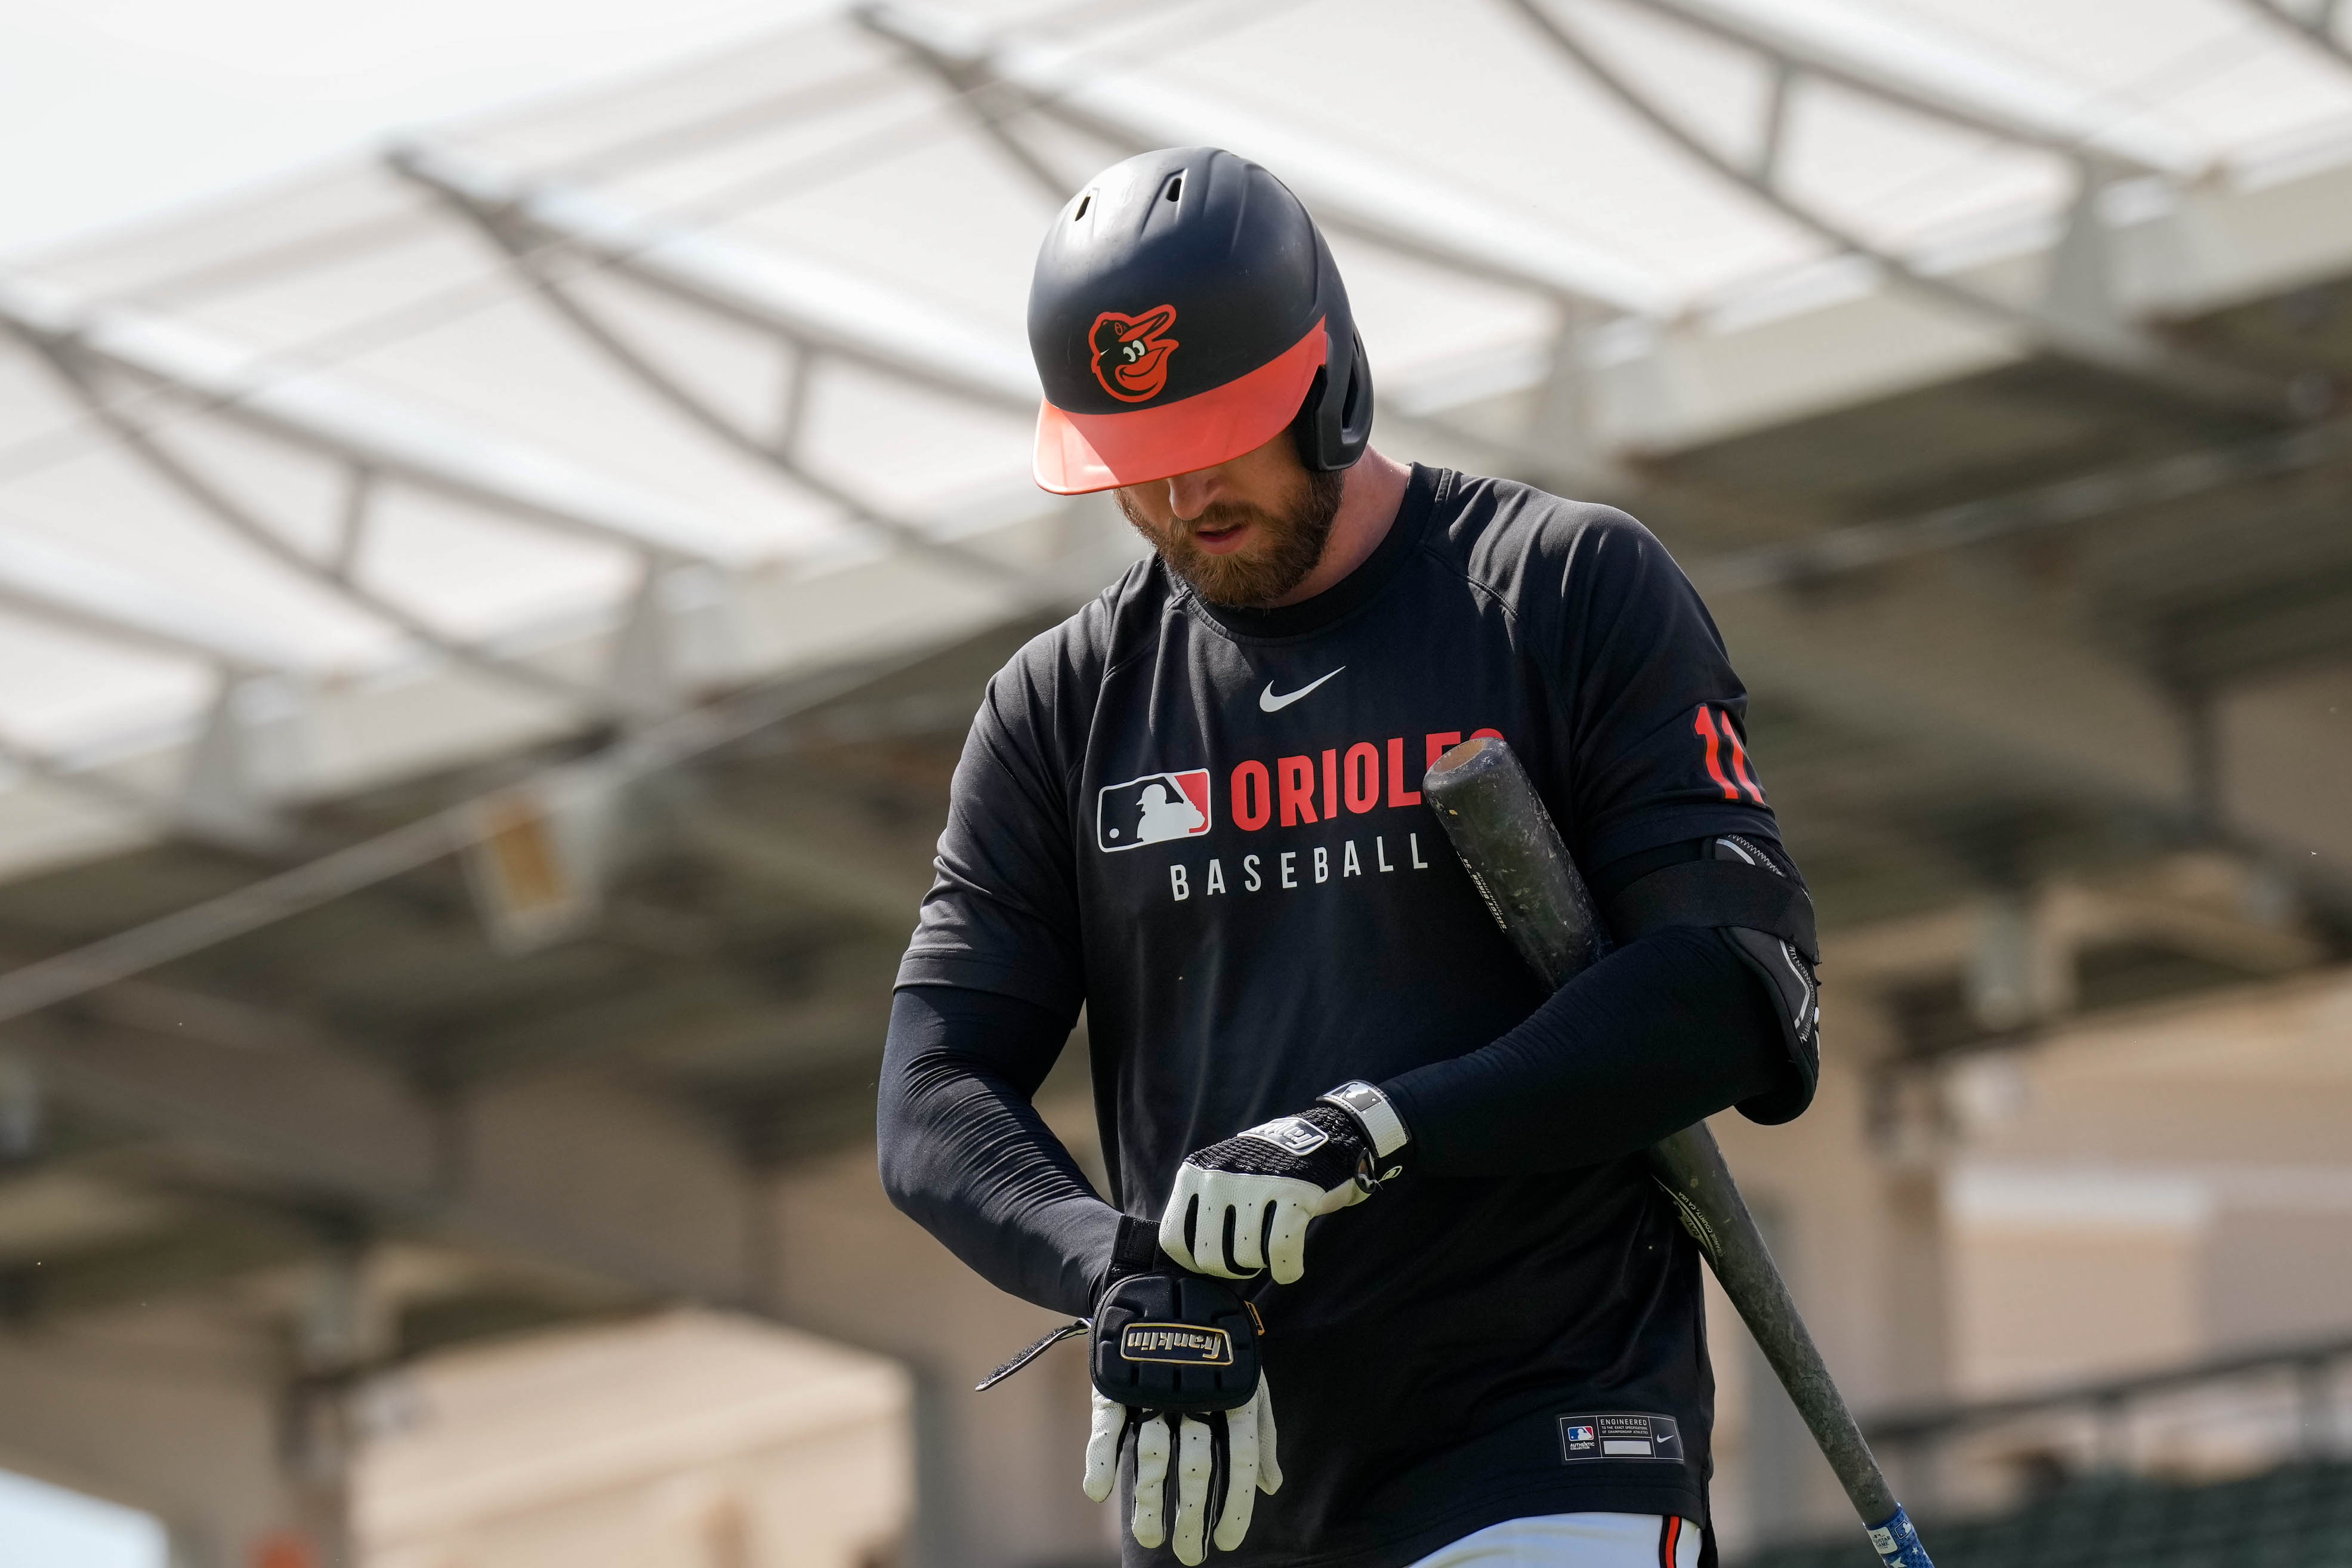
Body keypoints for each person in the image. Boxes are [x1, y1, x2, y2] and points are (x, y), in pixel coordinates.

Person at [879, 147, 1821, 1568]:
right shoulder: (1060, 705)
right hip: (1225, 1489)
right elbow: (930, 1094)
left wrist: (1372, 1131)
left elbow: (1732, 985)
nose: (1184, 496)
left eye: (1221, 435)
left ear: (1334, 378)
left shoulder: (1561, 588)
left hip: (1548, 1446)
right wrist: (1117, 1273)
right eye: (1136, 465)